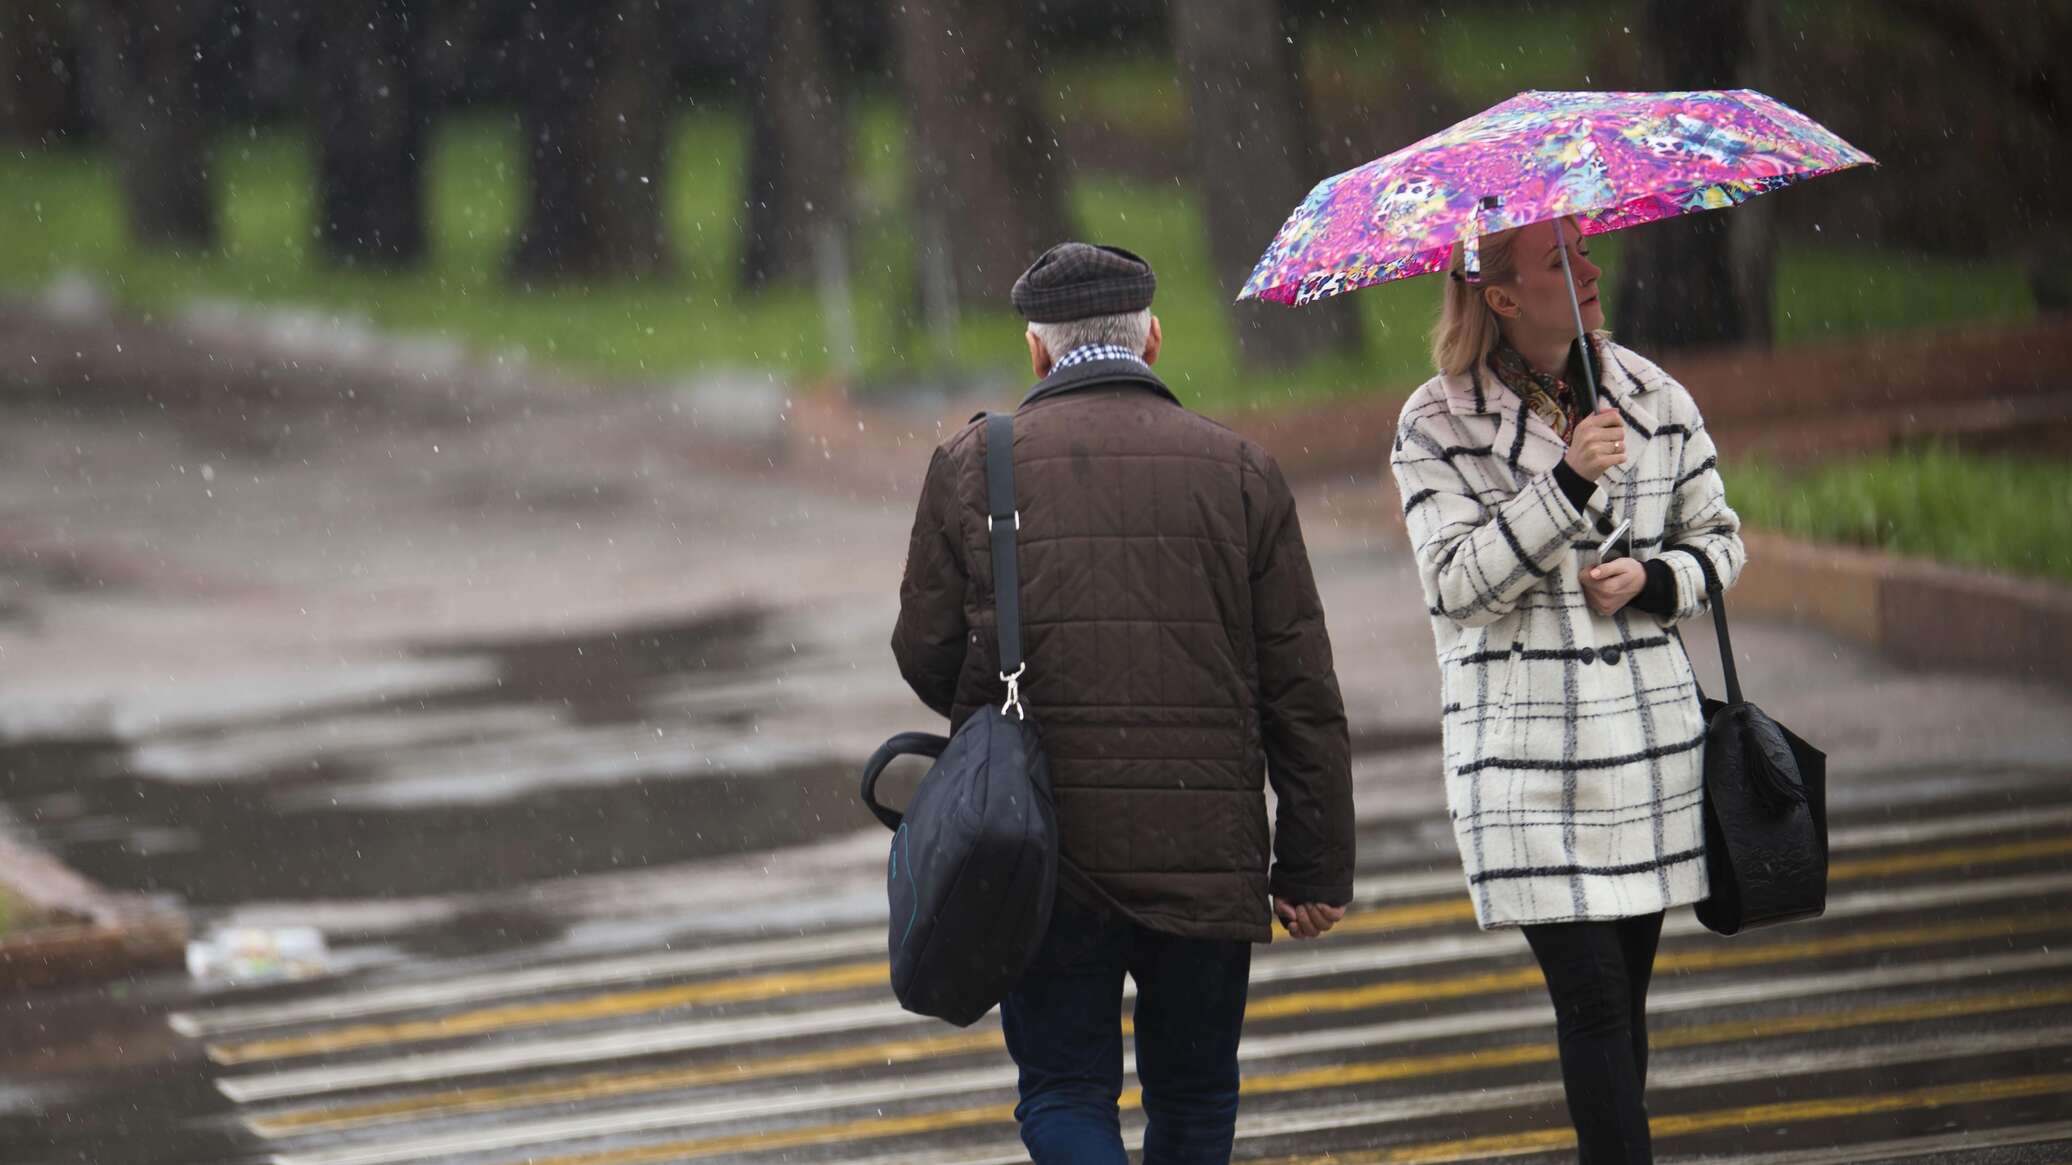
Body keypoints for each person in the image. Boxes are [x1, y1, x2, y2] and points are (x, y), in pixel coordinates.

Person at [892, 241, 1357, 1165]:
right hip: (1207, 853)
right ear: (1152, 338)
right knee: (1193, 1096)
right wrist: (1313, 860)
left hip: (1042, 848)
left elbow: (925, 649)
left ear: (1036, 350)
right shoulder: (1241, 471)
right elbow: (1301, 686)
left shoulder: (976, 465)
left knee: (1065, 1088)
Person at [1387, 217, 1746, 1164]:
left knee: (1622, 1007)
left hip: (1645, 751)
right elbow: (1456, 584)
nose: (1592, 268)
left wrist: (1659, 580)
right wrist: (1569, 482)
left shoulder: (1653, 394)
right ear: (1501, 297)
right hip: (1526, 765)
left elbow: (1720, 536)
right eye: (1562, 259)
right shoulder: (1435, 420)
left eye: (1586, 247)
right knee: (1590, 1002)